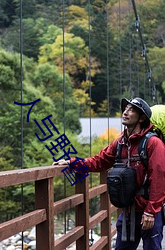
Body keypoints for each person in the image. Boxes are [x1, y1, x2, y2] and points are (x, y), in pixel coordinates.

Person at [53, 97, 165, 250]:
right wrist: (72, 162)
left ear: (142, 118)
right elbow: (99, 161)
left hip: (148, 210)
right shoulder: (120, 143)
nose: (125, 112)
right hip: (128, 210)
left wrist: (151, 212)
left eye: (131, 110)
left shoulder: (153, 143)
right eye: (125, 109)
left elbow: (159, 178)